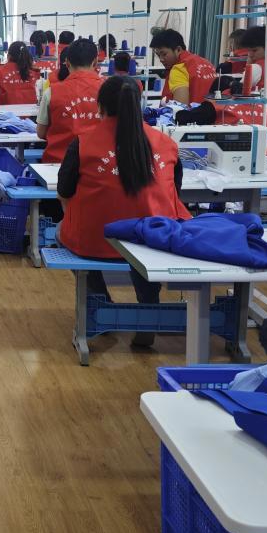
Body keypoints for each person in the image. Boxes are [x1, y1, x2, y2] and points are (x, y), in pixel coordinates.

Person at [57, 76, 190, 347]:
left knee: (61, 231)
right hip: (153, 239)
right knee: (143, 241)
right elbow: (174, 193)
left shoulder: (83, 143)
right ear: (138, 105)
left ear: (100, 106)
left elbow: (64, 190)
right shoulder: (166, 143)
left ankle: (100, 304)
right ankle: (149, 306)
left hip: (97, 240)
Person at [38, 39, 102, 164]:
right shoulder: (108, 90)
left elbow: (41, 133)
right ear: (95, 62)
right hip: (96, 164)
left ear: (67, 63)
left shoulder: (51, 92)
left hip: (57, 163)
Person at [151, 28, 217, 103]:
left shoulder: (179, 69)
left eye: (164, 54)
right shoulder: (208, 64)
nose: (161, 59)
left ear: (178, 50)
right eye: (158, 55)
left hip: (193, 111)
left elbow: (180, 107)